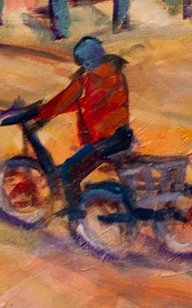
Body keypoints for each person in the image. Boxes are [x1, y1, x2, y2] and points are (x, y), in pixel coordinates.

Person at [33, 35, 135, 209]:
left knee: (68, 169)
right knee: (75, 172)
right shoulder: (105, 75)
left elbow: (67, 103)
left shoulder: (100, 79)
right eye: (83, 63)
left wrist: (35, 113)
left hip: (109, 140)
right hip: (113, 138)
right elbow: (71, 103)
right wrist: (38, 113)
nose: (85, 66)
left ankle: (74, 213)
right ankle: (82, 204)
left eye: (86, 61)